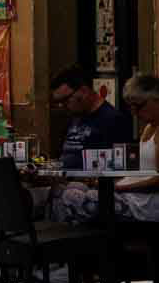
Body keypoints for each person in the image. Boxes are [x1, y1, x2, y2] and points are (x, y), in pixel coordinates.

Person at [51, 73, 159, 224]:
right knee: (61, 190)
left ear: (156, 99)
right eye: (131, 106)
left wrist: (121, 186)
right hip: (131, 193)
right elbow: (135, 167)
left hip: (144, 203)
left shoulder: (115, 120)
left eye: (139, 106)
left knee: (71, 197)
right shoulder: (149, 128)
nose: (134, 112)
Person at [52, 63, 129, 169]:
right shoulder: (75, 115)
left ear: (83, 91)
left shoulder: (112, 119)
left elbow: (116, 166)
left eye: (65, 100)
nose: (62, 106)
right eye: (58, 102)